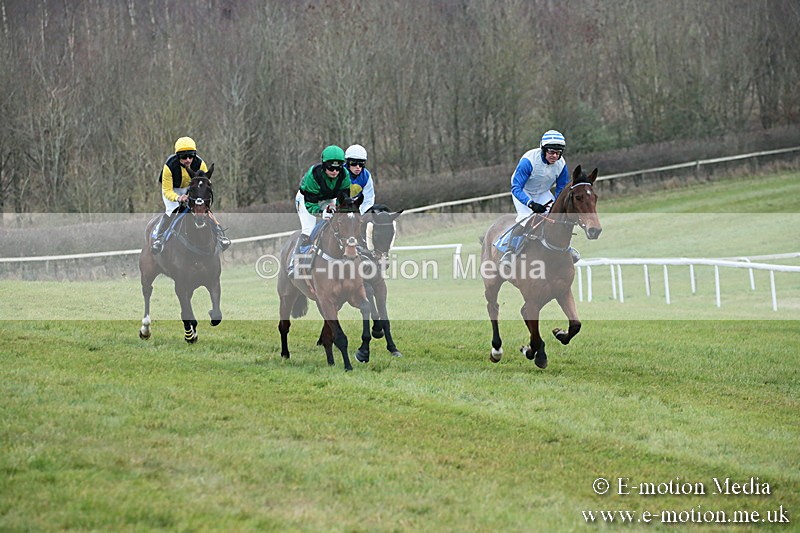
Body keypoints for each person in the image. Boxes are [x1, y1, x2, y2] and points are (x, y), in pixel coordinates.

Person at [502, 129, 580, 263]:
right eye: (551, 152)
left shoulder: (561, 165)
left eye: (558, 153)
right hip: (523, 191)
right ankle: (509, 252)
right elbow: (516, 187)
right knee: (526, 219)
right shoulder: (528, 161)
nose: (555, 156)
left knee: (557, 217)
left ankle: (566, 247)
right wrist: (530, 204)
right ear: (543, 149)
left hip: (543, 192)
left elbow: (561, 189)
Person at [151, 136, 231, 254]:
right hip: (173, 190)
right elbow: (167, 190)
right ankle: (159, 239)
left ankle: (220, 235)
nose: (188, 160)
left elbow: (204, 184)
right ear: (178, 157)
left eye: (191, 156)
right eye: (184, 157)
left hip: (191, 188)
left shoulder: (200, 164)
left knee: (203, 209)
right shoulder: (169, 166)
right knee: (172, 211)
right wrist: (178, 198)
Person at [292, 145, 352, 267]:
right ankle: (295, 261)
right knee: (308, 229)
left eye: (338, 168)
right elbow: (310, 204)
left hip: (329, 199)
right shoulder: (313, 175)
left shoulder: (345, 175)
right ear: (324, 165)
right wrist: (321, 212)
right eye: (331, 168)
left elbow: (343, 199)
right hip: (307, 200)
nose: (335, 171)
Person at [345, 144, 375, 215]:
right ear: (348, 163)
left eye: (361, 163)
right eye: (354, 163)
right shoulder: (339, 173)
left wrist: (359, 214)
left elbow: (368, 200)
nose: (358, 167)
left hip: (358, 210)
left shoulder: (366, 176)